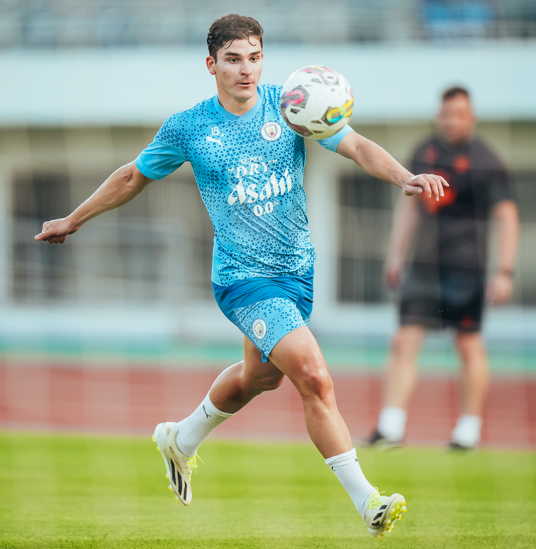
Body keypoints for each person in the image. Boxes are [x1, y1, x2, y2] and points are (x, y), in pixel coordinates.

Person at [35, 14, 447, 539]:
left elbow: (356, 144)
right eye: (233, 59)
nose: (245, 69)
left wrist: (406, 177)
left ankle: (180, 439)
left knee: (262, 377)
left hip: (296, 274)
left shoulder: (291, 104)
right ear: (211, 65)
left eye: (254, 57)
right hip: (242, 280)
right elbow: (131, 176)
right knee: (314, 378)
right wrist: (73, 218)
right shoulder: (188, 126)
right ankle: (369, 502)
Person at [366, 86, 519, 451]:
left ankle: (468, 430)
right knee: (404, 339)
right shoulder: (424, 151)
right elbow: (409, 205)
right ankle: (391, 427)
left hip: (467, 269)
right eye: (446, 113)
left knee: (468, 345)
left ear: (472, 118)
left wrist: (505, 270)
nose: (451, 120)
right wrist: (396, 254)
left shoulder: (486, 160)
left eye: (459, 114)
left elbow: (507, 214)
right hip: (422, 265)